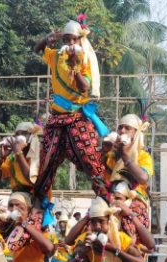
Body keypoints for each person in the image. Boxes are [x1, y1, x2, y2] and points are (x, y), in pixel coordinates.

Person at [32, 19, 110, 203]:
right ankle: (37, 203)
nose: (70, 43)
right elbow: (37, 50)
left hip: (77, 118)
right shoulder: (55, 56)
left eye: (73, 39)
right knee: (46, 162)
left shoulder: (85, 60)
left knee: (91, 160)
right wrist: (47, 39)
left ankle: (105, 198)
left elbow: (84, 88)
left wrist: (75, 66)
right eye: (66, 40)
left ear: (79, 40)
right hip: (57, 118)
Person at [103, 114, 154, 216]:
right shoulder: (110, 155)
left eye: (127, 128)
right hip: (109, 200)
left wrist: (125, 156)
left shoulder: (143, 156)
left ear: (136, 134)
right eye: (120, 127)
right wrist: (103, 151)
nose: (122, 131)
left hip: (135, 202)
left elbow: (143, 178)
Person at [0, 121, 42, 194]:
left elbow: (32, 179)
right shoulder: (13, 159)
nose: (20, 136)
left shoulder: (39, 157)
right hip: (17, 198)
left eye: (24, 133)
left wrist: (18, 152)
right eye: (17, 134)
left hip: (35, 200)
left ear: (32, 137)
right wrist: (1, 158)